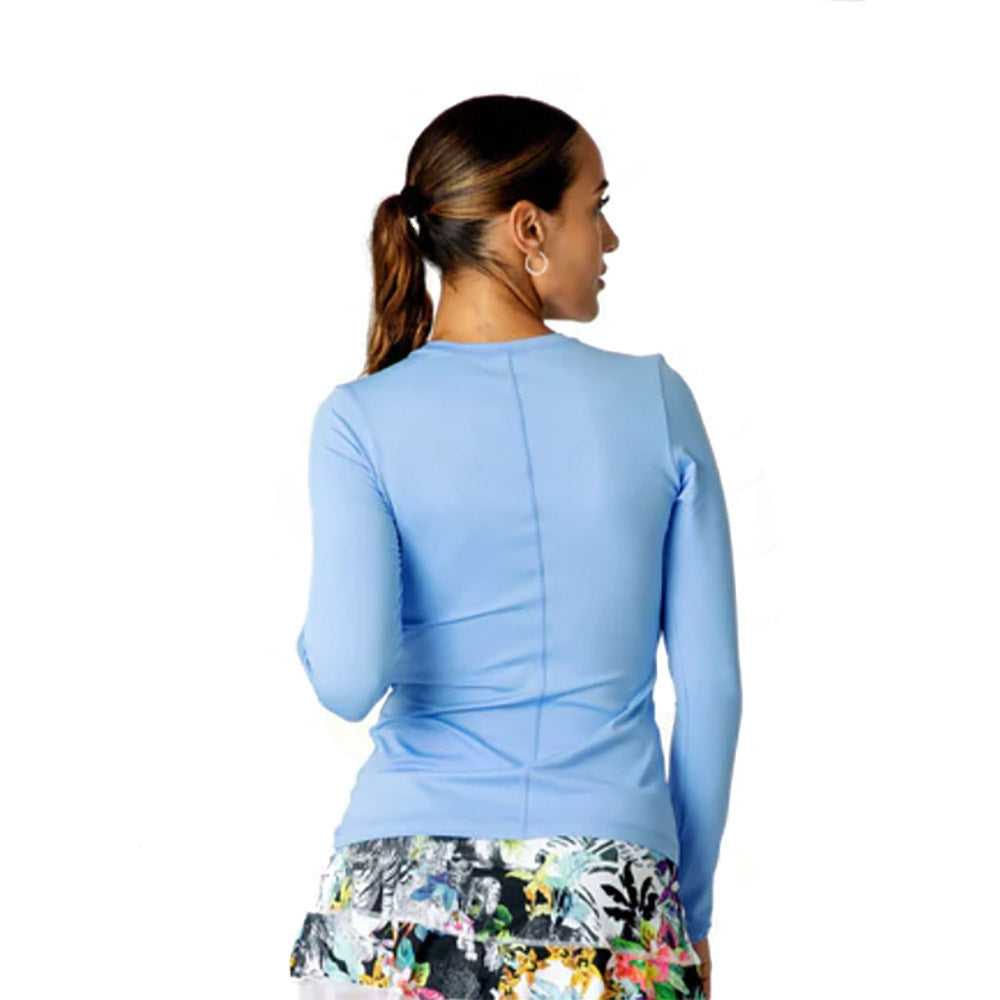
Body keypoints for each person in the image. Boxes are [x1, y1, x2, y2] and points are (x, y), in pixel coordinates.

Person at [287, 94, 742, 1000]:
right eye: (596, 207)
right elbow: (713, 692)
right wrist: (683, 914)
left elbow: (346, 680)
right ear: (528, 227)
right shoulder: (656, 403)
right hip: (611, 902)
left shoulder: (360, 420)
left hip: (399, 902)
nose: (608, 239)